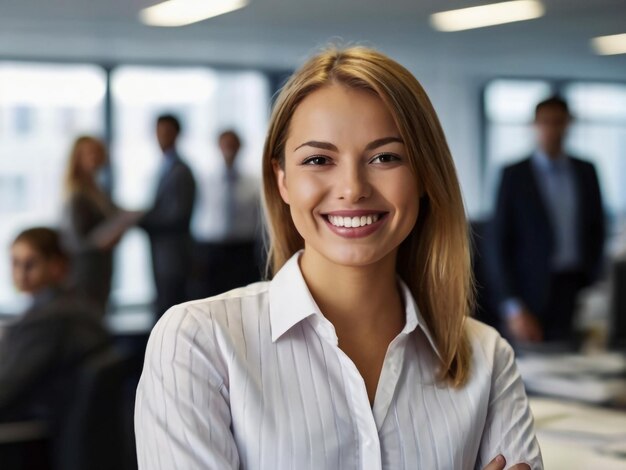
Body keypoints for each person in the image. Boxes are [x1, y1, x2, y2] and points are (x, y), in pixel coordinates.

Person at [135, 47, 541, 470]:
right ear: (283, 181)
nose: (352, 187)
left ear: (424, 175)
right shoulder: (199, 342)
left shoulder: (486, 356)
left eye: (385, 157)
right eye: (318, 160)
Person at [490, 96, 605, 345]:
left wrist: (594, 278)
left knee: (573, 362)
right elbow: (498, 243)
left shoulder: (586, 171)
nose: (552, 129)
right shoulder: (514, 175)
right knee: (528, 369)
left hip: (575, 285)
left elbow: (597, 227)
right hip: (529, 290)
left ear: (569, 124)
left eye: (559, 122)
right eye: (546, 122)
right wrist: (512, 305)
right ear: (534, 125)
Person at [0, 227, 111, 421]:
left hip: (33, 431)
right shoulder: (77, 306)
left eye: (30, 264)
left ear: (57, 265)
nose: (20, 273)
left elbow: (6, 392)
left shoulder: (47, 321)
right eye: (15, 263)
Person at [61, 136, 137, 314]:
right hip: (85, 270)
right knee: (88, 319)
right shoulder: (77, 193)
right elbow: (76, 240)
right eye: (89, 153)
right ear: (77, 158)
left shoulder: (97, 189)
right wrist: (102, 240)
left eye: (97, 152)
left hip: (100, 267)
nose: (95, 158)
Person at [190, 129, 262, 298]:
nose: (229, 149)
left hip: (242, 248)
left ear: (240, 147)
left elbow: (260, 218)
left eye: (232, 144)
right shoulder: (205, 179)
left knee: (242, 296)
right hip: (211, 249)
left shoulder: (253, 181)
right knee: (211, 297)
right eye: (225, 144)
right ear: (219, 146)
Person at [139, 114, 196, 320]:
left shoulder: (181, 170)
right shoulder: (165, 166)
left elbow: (178, 216)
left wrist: (140, 219)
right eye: (158, 132)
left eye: (166, 132)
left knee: (171, 310)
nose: (161, 137)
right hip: (163, 253)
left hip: (174, 255)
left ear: (177, 134)